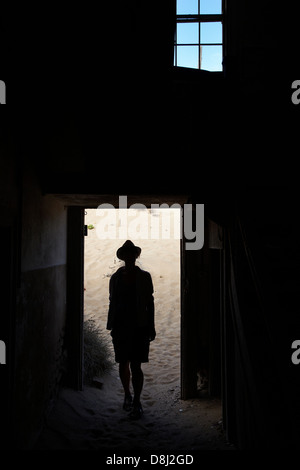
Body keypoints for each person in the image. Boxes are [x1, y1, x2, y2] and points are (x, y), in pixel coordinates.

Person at [107, 240, 156, 419]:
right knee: (123, 363)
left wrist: (151, 326)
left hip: (140, 326)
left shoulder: (145, 277)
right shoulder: (115, 278)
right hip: (120, 327)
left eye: (132, 254)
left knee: (136, 365)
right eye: (126, 254)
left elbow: (150, 303)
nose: (129, 257)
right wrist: (111, 324)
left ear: (136, 256)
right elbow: (112, 301)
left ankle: (136, 400)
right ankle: (128, 395)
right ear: (123, 257)